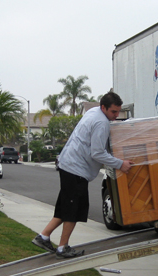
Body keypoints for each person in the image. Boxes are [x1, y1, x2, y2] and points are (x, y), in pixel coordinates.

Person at [32, 91, 133, 258]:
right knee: (73, 210)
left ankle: (43, 236)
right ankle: (62, 247)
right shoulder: (101, 122)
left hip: (68, 164)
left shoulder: (93, 112)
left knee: (66, 206)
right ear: (104, 107)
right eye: (113, 112)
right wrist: (120, 164)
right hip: (76, 169)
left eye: (118, 112)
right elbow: (97, 153)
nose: (115, 116)